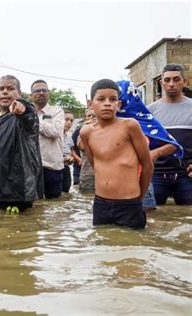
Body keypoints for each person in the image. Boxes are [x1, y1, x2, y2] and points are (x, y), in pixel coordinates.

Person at [80, 79, 153, 229]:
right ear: (90, 104)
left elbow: (147, 165)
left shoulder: (130, 126)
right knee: (102, 244)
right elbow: (96, 165)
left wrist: (138, 199)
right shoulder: (86, 132)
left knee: (132, 247)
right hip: (101, 204)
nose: (107, 103)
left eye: (113, 99)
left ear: (118, 105)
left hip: (129, 203)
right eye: (101, 99)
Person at [0, 75, 41, 212]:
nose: (5, 92)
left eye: (10, 88)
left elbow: (30, 117)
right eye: (1, 89)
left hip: (14, 193)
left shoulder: (21, 115)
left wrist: (23, 110)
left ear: (19, 93)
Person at [117, 80, 183, 212]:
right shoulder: (106, 121)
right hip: (113, 182)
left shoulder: (145, 120)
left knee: (147, 222)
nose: (109, 102)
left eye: (116, 97)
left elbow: (172, 145)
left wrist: (153, 154)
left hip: (141, 180)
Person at [147, 64, 192, 205]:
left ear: (185, 81)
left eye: (176, 79)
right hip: (156, 174)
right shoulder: (150, 111)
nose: (171, 84)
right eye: (167, 80)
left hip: (187, 174)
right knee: (155, 218)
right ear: (161, 83)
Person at [31, 80, 65, 198]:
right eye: (37, 91)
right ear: (31, 95)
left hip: (52, 168)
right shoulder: (26, 112)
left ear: (48, 93)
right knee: (34, 206)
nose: (41, 93)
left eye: (44, 90)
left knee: (54, 208)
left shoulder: (57, 111)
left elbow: (55, 131)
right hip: (31, 168)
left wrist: (33, 120)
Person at [78, 109, 96, 193]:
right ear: (85, 118)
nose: (92, 118)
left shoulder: (106, 132)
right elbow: (82, 147)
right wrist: (86, 128)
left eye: (94, 116)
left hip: (105, 177)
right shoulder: (82, 133)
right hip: (88, 176)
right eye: (89, 116)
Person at [62, 111, 75, 193]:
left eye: (71, 121)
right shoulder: (52, 136)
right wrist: (62, 158)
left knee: (66, 195)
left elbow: (71, 152)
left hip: (66, 169)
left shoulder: (69, 138)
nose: (69, 122)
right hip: (53, 169)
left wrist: (71, 159)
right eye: (66, 119)